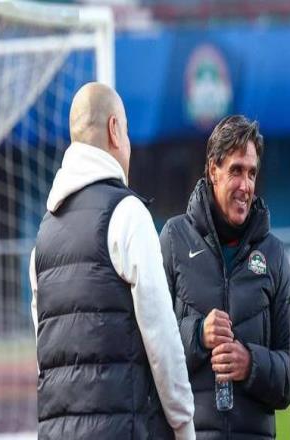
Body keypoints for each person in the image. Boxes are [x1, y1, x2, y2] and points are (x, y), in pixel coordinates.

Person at [29, 82, 195, 439]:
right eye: (128, 131)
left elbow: (44, 355)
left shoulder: (43, 235)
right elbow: (162, 337)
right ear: (114, 129)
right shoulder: (128, 213)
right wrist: (184, 425)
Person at [159, 115, 290, 439]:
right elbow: (150, 346)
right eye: (236, 171)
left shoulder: (273, 254)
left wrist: (251, 364)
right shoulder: (174, 239)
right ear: (212, 170)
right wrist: (198, 334)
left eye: (252, 173)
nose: (245, 186)